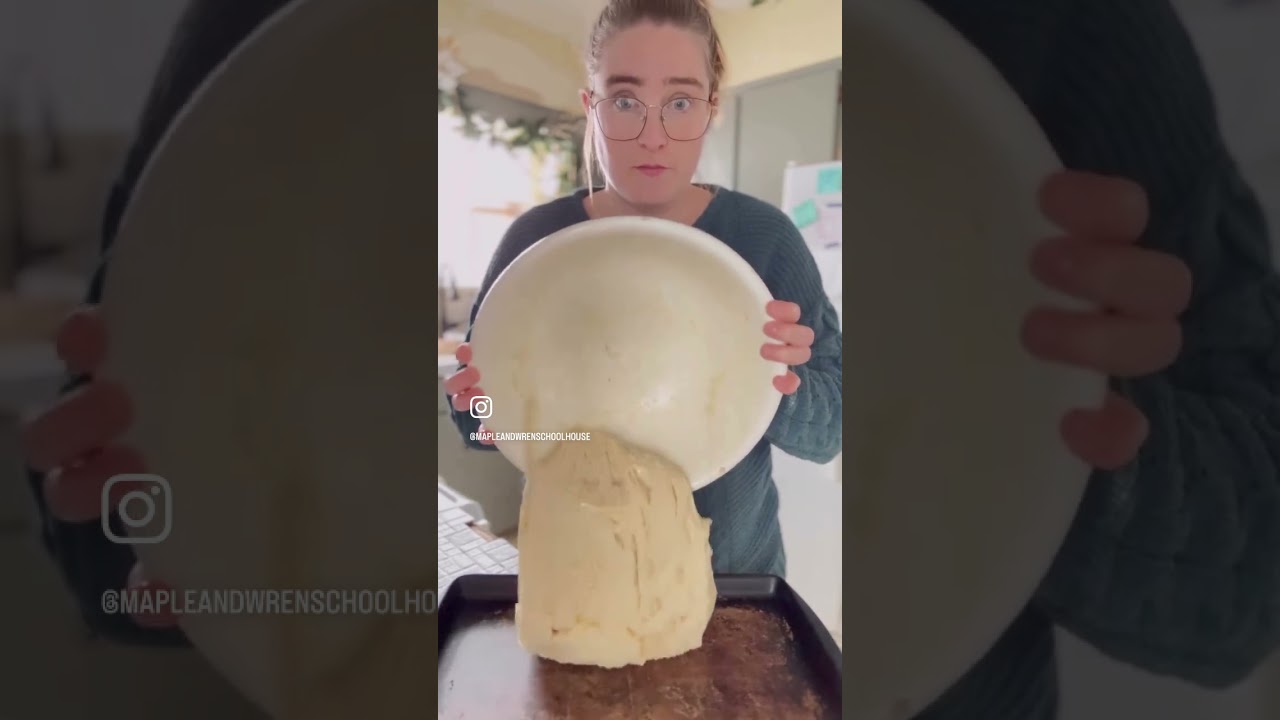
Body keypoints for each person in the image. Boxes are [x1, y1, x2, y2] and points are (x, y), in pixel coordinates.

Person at [18, 0, 1280, 717]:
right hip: (544, 628)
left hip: (765, 632)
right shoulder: (478, 205)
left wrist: (1043, 429)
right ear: (590, 107)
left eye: (679, 101)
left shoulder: (808, 214)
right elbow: (117, 535)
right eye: (624, 98)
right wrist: (178, 511)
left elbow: (1245, 594)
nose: (652, 131)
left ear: (710, 108)